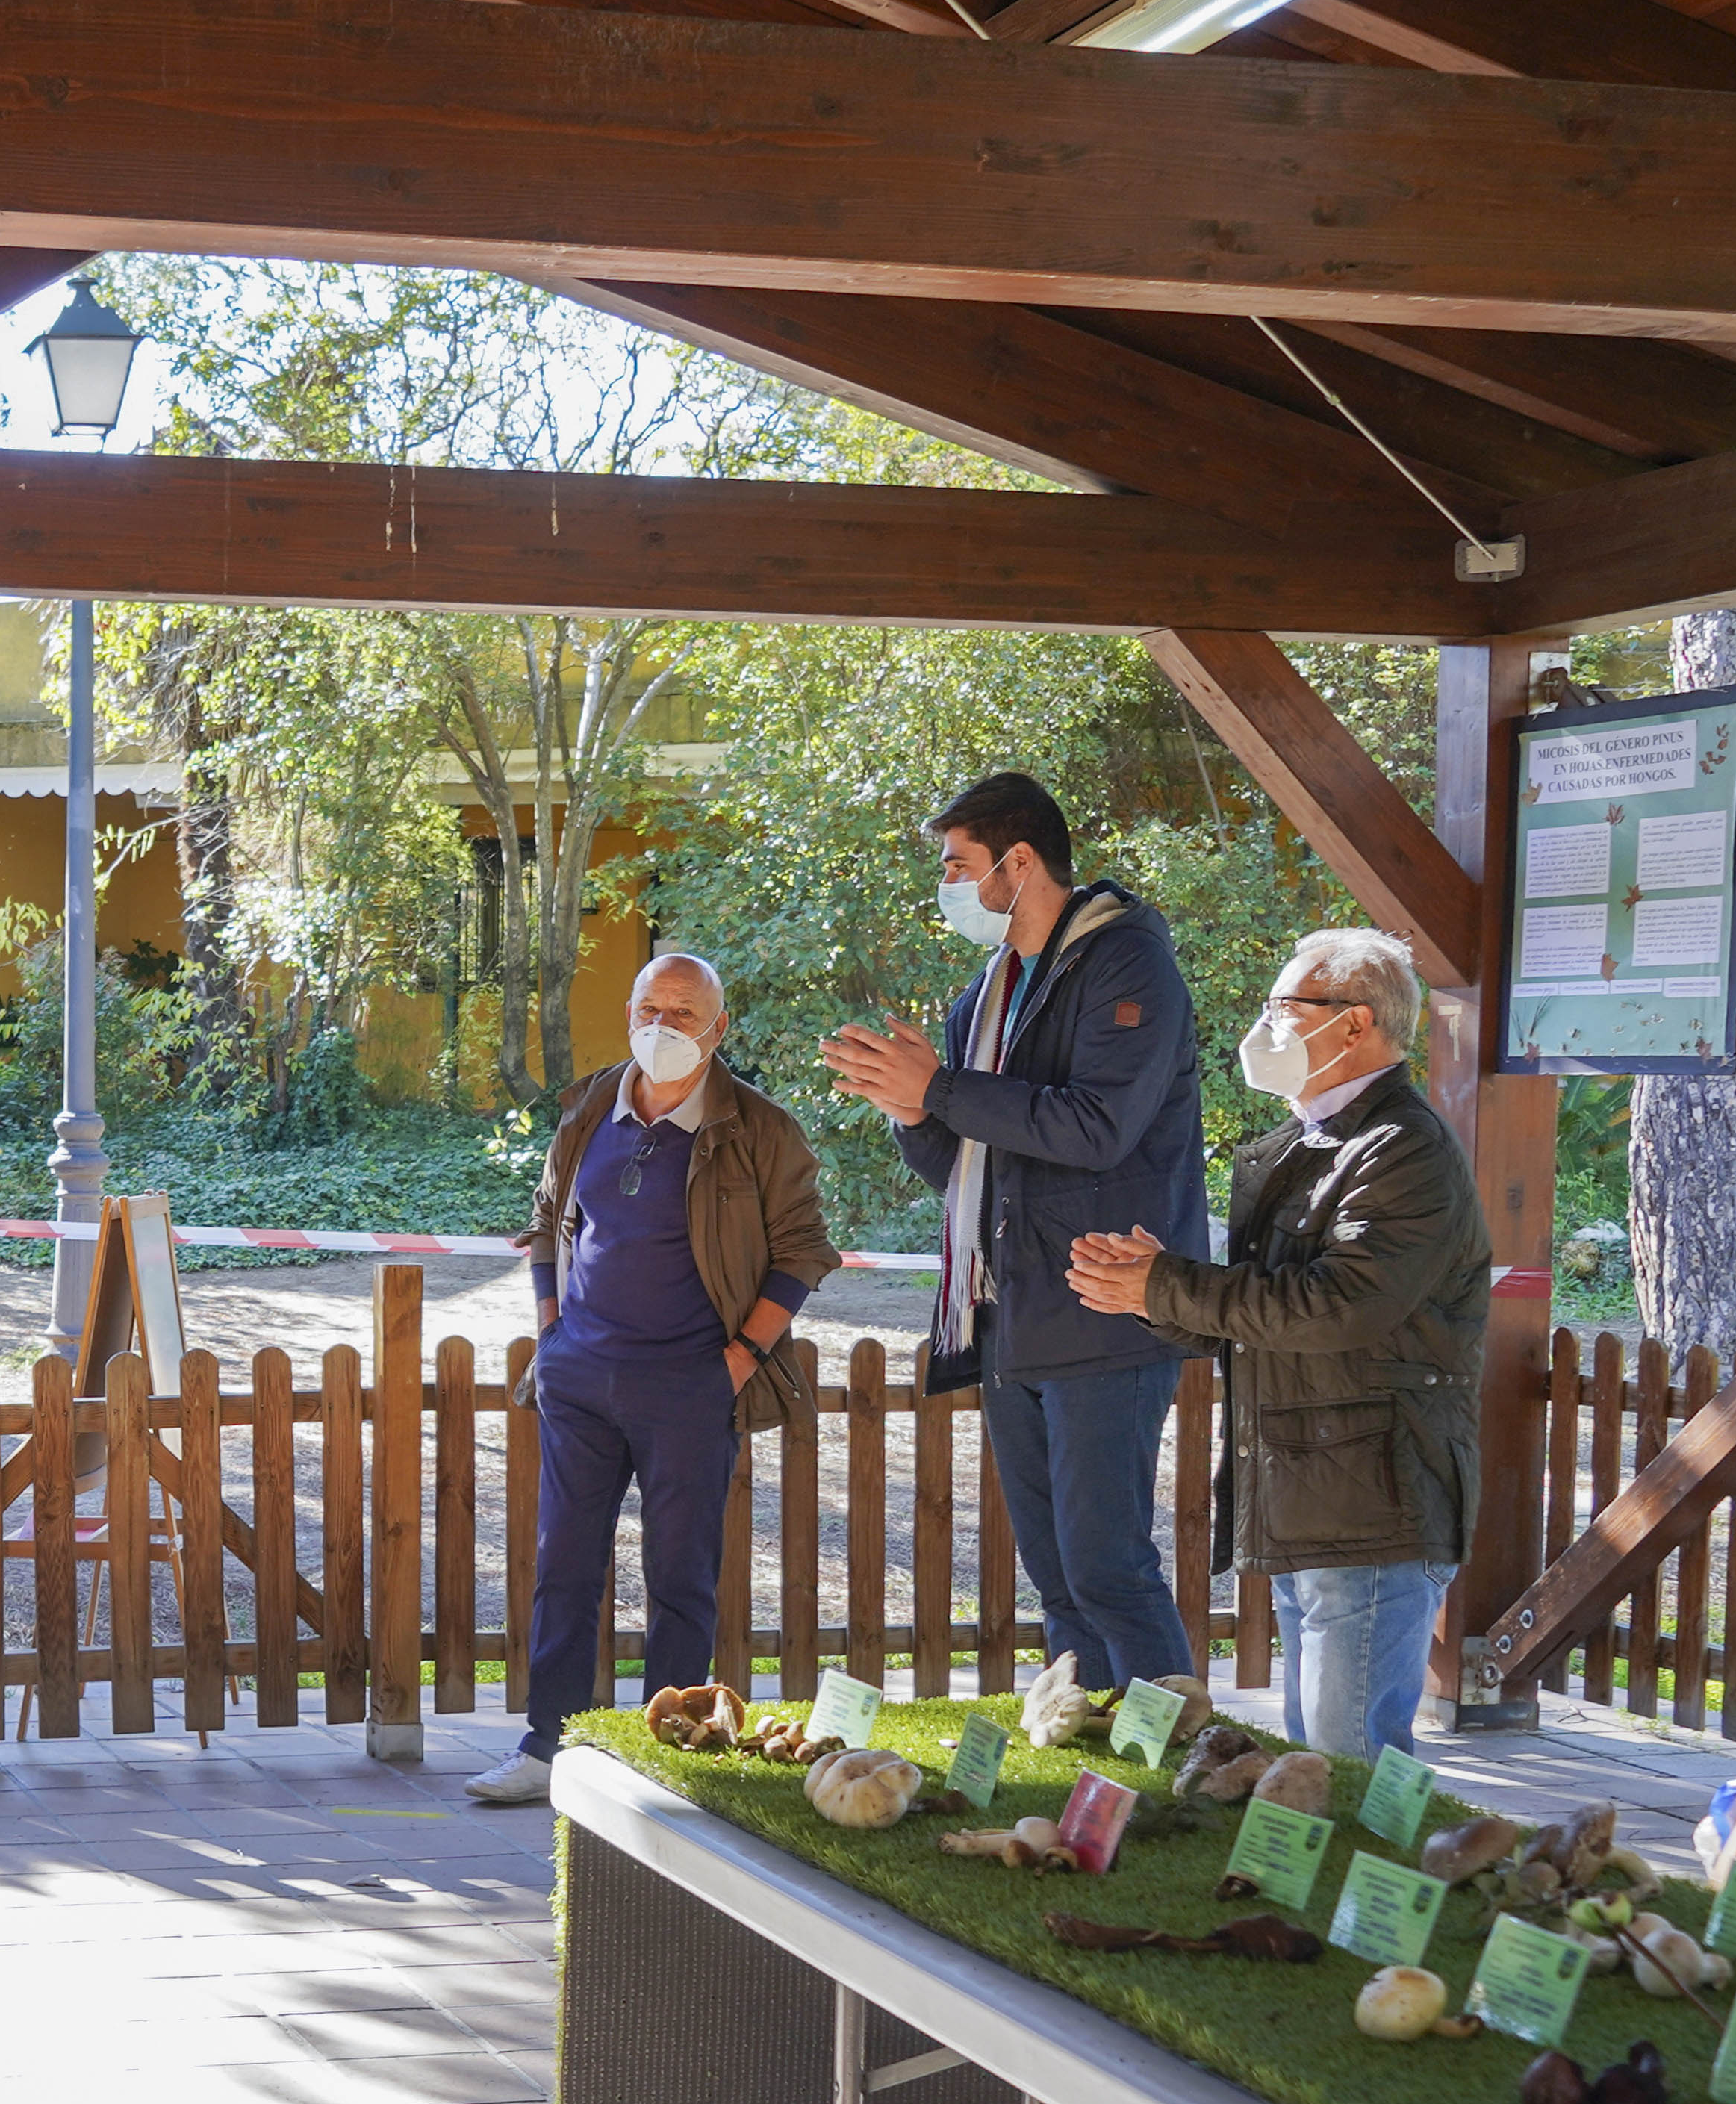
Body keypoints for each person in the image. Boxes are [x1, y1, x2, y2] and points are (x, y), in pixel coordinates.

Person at [818, 773, 1208, 1695]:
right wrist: (910, 1109)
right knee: (1061, 1581)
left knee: (1110, 1569)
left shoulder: (1127, 963)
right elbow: (963, 1164)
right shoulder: (986, 995)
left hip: (1106, 1311)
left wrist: (941, 1090)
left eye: (959, 865)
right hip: (1013, 1316)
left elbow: (1096, 1127)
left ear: (1020, 861)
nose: (947, 885)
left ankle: (1180, 1756)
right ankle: (1094, 1756)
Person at [1070, 929, 1484, 1758]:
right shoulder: (1310, 1144)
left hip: (1374, 1500)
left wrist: (1167, 1284)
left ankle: (1386, 1858)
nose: (1264, 1026)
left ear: (1355, 1023)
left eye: (1284, 1006)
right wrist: (1149, 1292)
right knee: (1315, 1761)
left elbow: (1337, 1307)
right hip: (1318, 1491)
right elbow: (1265, 1321)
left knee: (1347, 1763)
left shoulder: (1402, 1150)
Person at [469, 954, 841, 1808]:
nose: (662, 1025)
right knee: (563, 1567)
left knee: (680, 1579)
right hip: (580, 1379)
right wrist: (552, 1330)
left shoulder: (761, 1128)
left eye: (683, 1011)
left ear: (719, 1026)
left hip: (690, 1387)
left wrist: (736, 1362)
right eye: (650, 1007)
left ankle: (668, 1755)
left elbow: (803, 1251)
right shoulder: (592, 1103)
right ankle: (548, 1745)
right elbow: (547, 1219)